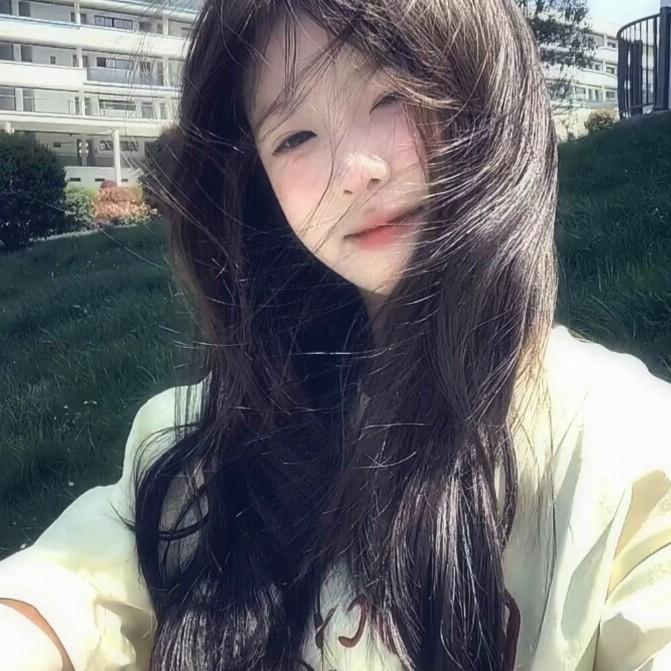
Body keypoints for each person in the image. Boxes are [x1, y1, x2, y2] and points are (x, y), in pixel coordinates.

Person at [2, 0, 671, 669]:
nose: (354, 171)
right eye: (294, 137)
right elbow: (62, 591)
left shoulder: (624, 448)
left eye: (392, 95)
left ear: (488, 94)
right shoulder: (199, 439)